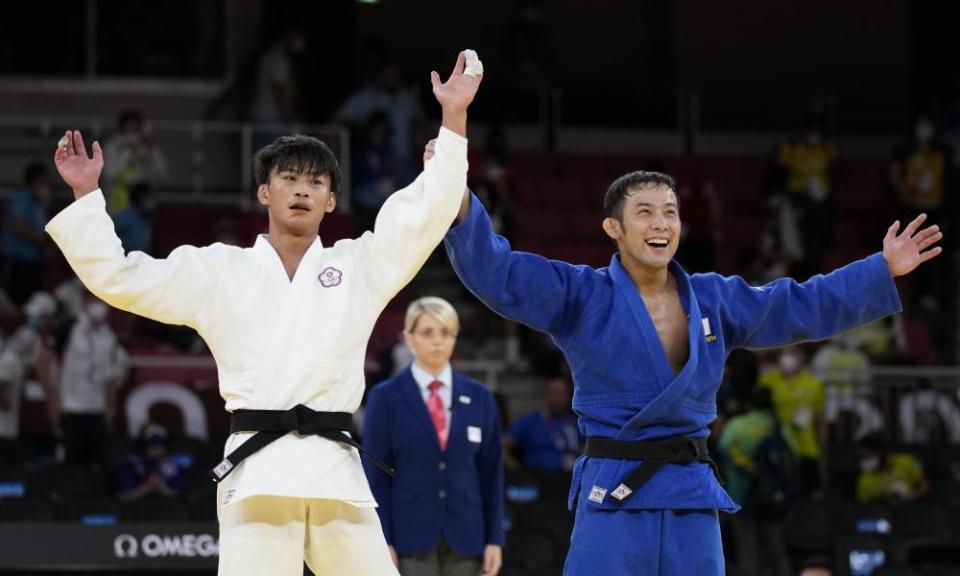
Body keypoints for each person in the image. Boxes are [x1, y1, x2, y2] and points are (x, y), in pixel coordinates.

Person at [46, 50, 481, 576]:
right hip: (257, 472)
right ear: (263, 192)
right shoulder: (219, 271)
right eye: (290, 178)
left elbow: (421, 217)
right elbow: (120, 277)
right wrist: (86, 193)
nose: (302, 189)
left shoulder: (360, 265)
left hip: (335, 471)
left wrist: (453, 117)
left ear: (330, 200)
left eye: (316, 183)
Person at [440, 164, 941, 574]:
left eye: (670, 212)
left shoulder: (713, 298)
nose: (661, 223)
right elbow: (498, 274)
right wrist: (455, 189)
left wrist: (879, 269)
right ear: (613, 228)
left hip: (691, 493)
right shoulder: (581, 295)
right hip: (614, 489)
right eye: (645, 212)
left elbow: (800, 305)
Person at [362, 296, 504, 576]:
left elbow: (491, 473)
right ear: (409, 338)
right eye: (427, 333)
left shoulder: (480, 397)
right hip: (409, 536)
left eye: (446, 333)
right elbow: (374, 476)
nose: (438, 341)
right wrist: (382, 539)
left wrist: (495, 539)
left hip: (467, 534)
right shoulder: (385, 397)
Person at [57, 292, 129, 466]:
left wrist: (110, 411)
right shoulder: (70, 327)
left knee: (97, 462)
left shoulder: (110, 339)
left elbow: (111, 379)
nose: (98, 306)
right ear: (85, 302)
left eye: (102, 301)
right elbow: (50, 358)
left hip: (97, 409)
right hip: (71, 407)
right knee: (71, 462)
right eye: (94, 300)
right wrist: (55, 400)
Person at [759, 346, 827, 495]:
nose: (787, 357)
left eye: (793, 353)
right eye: (784, 353)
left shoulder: (814, 384)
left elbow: (819, 419)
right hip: (777, 443)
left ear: (803, 357)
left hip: (805, 446)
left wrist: (821, 448)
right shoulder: (767, 380)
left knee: (811, 492)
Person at [505, 375, 582, 472]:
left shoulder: (577, 423)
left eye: (561, 394)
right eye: (553, 393)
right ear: (545, 395)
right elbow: (503, 446)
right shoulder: (530, 421)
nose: (557, 399)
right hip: (538, 478)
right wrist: (518, 472)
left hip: (569, 477)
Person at [1, 163, 51, 305]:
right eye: (43, 180)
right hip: (17, 260)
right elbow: (19, 226)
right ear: (35, 179)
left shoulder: (40, 202)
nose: (46, 184)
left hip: (34, 260)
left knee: (34, 302)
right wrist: (41, 241)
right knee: (16, 300)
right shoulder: (22, 198)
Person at [102, 109, 168, 213]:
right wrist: (128, 153)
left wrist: (150, 149)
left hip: (142, 208)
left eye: (135, 128)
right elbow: (108, 175)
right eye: (129, 127)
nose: (132, 132)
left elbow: (162, 174)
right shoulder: (112, 147)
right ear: (121, 128)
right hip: (116, 208)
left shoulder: (148, 148)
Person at [118, 422, 185, 501]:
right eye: (153, 446)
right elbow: (122, 497)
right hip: (138, 508)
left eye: (160, 445)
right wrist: (147, 487)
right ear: (144, 446)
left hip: (165, 508)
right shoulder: (133, 464)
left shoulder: (170, 465)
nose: (157, 450)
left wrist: (163, 489)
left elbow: (181, 496)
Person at [855, 434, 929, 504]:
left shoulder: (906, 462)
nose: (864, 461)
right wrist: (883, 498)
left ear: (881, 453)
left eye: (867, 456)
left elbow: (924, 486)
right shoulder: (864, 481)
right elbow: (866, 506)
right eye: (862, 457)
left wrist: (910, 497)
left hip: (912, 508)